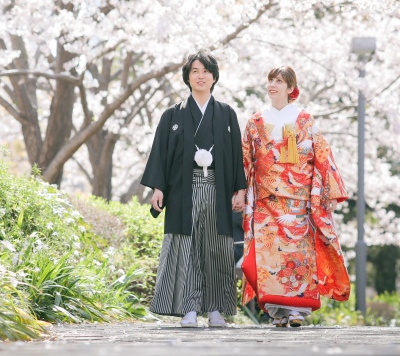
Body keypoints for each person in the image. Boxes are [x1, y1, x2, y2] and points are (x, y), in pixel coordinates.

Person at [237, 65, 350, 327]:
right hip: (265, 200)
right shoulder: (255, 121)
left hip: (298, 201)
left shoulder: (305, 119)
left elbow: (322, 155)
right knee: (269, 256)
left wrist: (330, 193)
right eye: (270, 80)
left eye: (279, 81)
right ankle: (278, 312)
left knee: (298, 255)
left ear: (290, 88)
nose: (273, 85)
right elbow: (245, 160)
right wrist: (240, 192)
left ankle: (297, 311)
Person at [141, 51, 247, 327]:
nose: (201, 76)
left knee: (216, 247)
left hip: (217, 189)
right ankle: (188, 308)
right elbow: (160, 154)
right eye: (195, 71)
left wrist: (240, 189)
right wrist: (158, 188)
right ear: (187, 77)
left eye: (206, 71)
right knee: (186, 247)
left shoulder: (226, 113)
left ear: (214, 77)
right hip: (182, 191)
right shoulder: (172, 115)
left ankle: (215, 308)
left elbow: (236, 155)